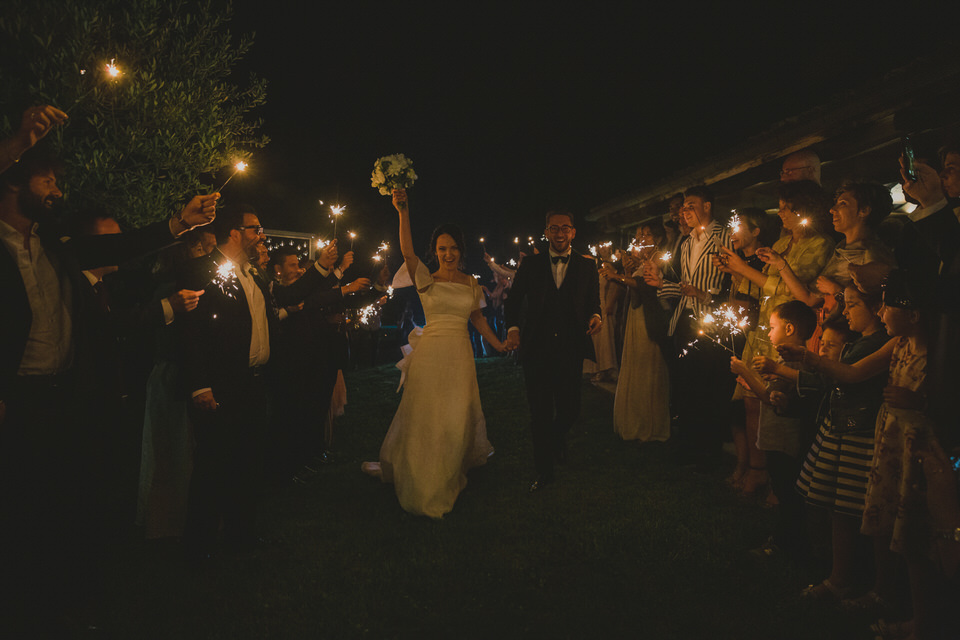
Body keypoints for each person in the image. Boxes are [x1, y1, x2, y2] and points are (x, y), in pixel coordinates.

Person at [178, 203, 343, 558]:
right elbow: (190, 333)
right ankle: (200, 546)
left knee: (248, 464)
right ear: (235, 234)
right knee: (214, 466)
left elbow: (289, 297)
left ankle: (242, 538)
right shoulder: (202, 272)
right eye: (255, 229)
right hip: (222, 385)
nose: (261, 235)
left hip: (254, 384)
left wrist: (321, 268)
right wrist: (199, 384)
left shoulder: (254, 275)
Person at [362, 188, 504, 518]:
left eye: (453, 248)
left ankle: (450, 470)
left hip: (460, 358)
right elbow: (408, 253)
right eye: (442, 248)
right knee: (428, 417)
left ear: (461, 250)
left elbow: (478, 319)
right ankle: (424, 479)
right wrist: (403, 212)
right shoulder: (426, 279)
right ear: (435, 251)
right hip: (431, 357)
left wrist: (498, 345)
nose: (448, 253)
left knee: (456, 418)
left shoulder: (471, 283)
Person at [504, 210, 602, 491]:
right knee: (540, 414)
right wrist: (513, 328)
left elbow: (593, 302)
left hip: (570, 348)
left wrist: (596, 317)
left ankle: (556, 439)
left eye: (565, 228)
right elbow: (513, 302)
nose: (559, 234)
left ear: (573, 232)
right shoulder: (531, 265)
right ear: (546, 231)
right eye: (554, 228)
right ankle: (544, 471)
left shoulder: (586, 266)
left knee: (571, 410)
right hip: (537, 349)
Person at [644, 185, 732, 467]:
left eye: (690, 205)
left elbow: (732, 284)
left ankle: (710, 449)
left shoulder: (725, 237)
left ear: (707, 206)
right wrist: (662, 284)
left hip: (712, 322)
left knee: (710, 387)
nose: (684, 212)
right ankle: (690, 445)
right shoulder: (685, 242)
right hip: (684, 321)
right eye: (682, 207)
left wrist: (705, 295)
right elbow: (684, 288)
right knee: (687, 385)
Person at [602, 221, 670, 442]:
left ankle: (650, 424)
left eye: (647, 235)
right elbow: (633, 287)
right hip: (636, 316)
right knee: (634, 363)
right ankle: (634, 419)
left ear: (658, 239)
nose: (641, 239)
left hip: (649, 319)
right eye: (640, 235)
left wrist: (617, 276)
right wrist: (628, 270)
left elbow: (646, 287)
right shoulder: (644, 259)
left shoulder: (660, 257)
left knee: (648, 366)